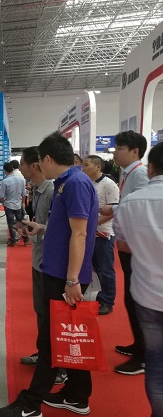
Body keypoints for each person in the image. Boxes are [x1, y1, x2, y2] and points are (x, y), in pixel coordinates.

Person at [0, 131, 98, 417]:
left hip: (65, 275)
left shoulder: (75, 184)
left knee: (52, 340)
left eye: (40, 160)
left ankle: (31, 403)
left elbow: (80, 233)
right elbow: (67, 228)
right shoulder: (67, 183)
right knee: (68, 336)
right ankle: (77, 395)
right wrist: (41, 228)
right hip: (59, 271)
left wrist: (72, 279)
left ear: (48, 159)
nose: (38, 166)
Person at [113, 142, 163, 416]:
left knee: (155, 362)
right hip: (146, 293)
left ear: (151, 168)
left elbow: (123, 244)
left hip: (148, 295)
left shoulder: (132, 201)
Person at [100, 130, 149, 375]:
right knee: (130, 298)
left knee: (137, 300)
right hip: (127, 244)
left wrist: (111, 210)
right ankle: (139, 345)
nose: (115, 153)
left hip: (136, 247)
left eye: (119, 148)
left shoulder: (139, 174)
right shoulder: (128, 173)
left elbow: (140, 206)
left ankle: (144, 356)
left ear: (135, 151)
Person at [18, 147, 67, 383]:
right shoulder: (38, 191)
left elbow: (60, 229)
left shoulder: (53, 191)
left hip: (50, 262)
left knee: (52, 315)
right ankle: (45, 354)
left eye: (22, 163)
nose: (19, 168)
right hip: (38, 259)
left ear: (35, 165)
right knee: (41, 312)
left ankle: (59, 366)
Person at [82, 155, 119, 315]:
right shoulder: (87, 183)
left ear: (98, 167)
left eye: (86, 165)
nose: (83, 168)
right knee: (93, 268)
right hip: (88, 232)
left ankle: (108, 301)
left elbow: (113, 210)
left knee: (105, 269)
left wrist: (92, 223)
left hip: (103, 233)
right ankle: (97, 295)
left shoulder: (109, 184)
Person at [0, 162, 29, 246]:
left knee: (11, 223)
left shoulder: (5, 181)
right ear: (13, 169)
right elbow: (24, 193)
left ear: (5, 171)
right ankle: (26, 240)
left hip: (9, 204)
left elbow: (2, 196)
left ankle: (13, 241)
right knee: (21, 222)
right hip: (18, 204)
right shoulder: (22, 180)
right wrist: (23, 203)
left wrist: (4, 203)